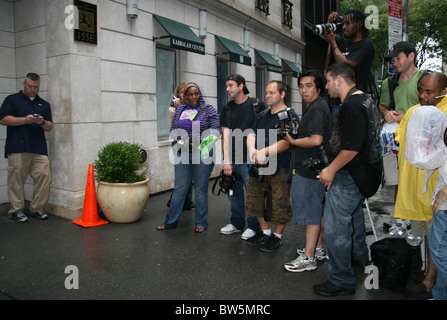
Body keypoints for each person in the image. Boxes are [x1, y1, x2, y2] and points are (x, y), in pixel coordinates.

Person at [313, 62, 381, 297]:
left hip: (350, 175)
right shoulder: (366, 99)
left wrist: (331, 169)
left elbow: (352, 147)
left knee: (335, 229)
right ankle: (359, 258)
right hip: (363, 175)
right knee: (353, 219)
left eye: (329, 81)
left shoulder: (351, 105)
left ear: (340, 80)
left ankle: (341, 280)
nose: (328, 86)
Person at [393, 72, 447, 299]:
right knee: (429, 236)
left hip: (437, 191)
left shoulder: (441, 114)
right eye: (421, 90)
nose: (423, 96)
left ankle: (432, 282)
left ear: (443, 92)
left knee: (439, 243)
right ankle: (428, 273)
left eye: (429, 92)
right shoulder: (417, 111)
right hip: (420, 187)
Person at [283, 70, 332, 272]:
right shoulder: (316, 106)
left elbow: (316, 139)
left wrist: (293, 140)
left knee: (310, 213)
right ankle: (318, 249)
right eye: (301, 86)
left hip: (310, 170)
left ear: (319, 88)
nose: (304, 90)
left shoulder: (318, 108)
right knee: (316, 210)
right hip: (314, 169)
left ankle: (309, 257)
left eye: (309, 86)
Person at [157, 83, 221, 233]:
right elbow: (173, 130)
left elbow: (216, 130)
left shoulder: (208, 109)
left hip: (202, 151)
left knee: (200, 189)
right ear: (185, 96)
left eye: (196, 93)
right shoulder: (180, 109)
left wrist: (201, 144)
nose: (194, 97)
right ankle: (170, 222)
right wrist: (180, 142)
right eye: (190, 94)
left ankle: (201, 222)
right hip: (183, 151)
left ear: (200, 94)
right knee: (180, 188)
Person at [379, 41, 426, 235]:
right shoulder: (389, 83)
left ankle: (419, 224)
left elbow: (431, 109)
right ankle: (401, 219)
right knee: (398, 180)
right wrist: (386, 113)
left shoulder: (425, 80)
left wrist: (405, 117)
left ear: (411, 56)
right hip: (396, 140)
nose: (395, 63)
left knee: (419, 181)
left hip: (420, 141)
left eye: (398, 58)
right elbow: (382, 105)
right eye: (393, 59)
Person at [245, 80, 298, 252]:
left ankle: (278, 236)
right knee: (255, 200)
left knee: (279, 202)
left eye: (272, 92)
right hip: (258, 167)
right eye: (266, 92)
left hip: (279, 167)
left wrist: (265, 151)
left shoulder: (289, 115)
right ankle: (266, 232)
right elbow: (251, 133)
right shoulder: (262, 115)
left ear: (282, 94)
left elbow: (287, 142)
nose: (267, 95)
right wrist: (252, 148)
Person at [219, 74, 267, 240]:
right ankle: (237, 224)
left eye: (231, 85)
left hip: (251, 159)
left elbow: (265, 129)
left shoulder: (257, 105)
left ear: (241, 86)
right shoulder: (227, 108)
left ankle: (254, 227)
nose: (228, 89)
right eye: (226, 86)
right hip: (233, 158)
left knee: (252, 194)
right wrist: (226, 161)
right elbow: (225, 135)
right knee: (233, 192)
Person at [0, 73, 53, 222]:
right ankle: (16, 210)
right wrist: (25, 120)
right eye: (30, 86)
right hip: (17, 147)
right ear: (24, 84)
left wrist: (41, 121)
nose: (32, 89)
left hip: (39, 148)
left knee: (44, 176)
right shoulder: (12, 100)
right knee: (16, 179)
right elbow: (3, 119)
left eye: (36, 87)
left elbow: (49, 126)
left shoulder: (43, 104)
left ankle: (36, 208)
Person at [324, 10, 375, 94]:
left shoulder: (365, 44)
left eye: (348, 23)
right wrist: (330, 23)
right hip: (338, 99)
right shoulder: (344, 42)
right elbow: (328, 34)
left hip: (354, 98)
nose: (344, 27)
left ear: (359, 24)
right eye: (343, 24)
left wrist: (333, 43)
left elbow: (346, 65)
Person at [167, 82, 194, 211]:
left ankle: (185, 201)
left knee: (189, 174)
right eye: (181, 92)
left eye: (185, 92)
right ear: (178, 94)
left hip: (191, 142)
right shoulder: (174, 106)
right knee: (182, 174)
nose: (183, 94)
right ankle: (175, 201)